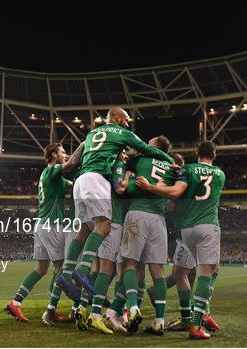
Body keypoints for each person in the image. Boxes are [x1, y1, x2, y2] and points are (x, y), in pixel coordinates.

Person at [57, 107, 173, 305]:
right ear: (117, 118)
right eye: (126, 120)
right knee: (104, 226)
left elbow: (72, 162)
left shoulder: (92, 134)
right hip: (97, 179)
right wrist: (170, 161)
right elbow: (147, 149)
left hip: (80, 181)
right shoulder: (123, 133)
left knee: (84, 230)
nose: (128, 124)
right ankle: (82, 271)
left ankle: (65, 275)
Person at [135, 141, 225, 340]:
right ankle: (197, 324)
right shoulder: (220, 174)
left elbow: (176, 193)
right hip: (207, 226)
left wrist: (155, 183)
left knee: (180, 273)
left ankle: (190, 317)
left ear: (196, 152)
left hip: (186, 231)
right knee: (208, 272)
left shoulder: (187, 169)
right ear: (215, 155)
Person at [5, 142, 83, 324]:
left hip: (41, 225)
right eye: (63, 152)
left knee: (41, 269)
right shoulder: (52, 170)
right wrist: (83, 146)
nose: (66, 154)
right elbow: (71, 164)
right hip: (51, 225)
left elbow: (75, 184)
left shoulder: (49, 176)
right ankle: (51, 310)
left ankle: (15, 303)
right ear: (54, 155)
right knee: (61, 268)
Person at [113, 135, 178, 336]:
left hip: (137, 214)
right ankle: (159, 321)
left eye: (148, 144)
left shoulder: (140, 160)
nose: (143, 146)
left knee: (130, 264)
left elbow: (121, 163)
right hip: (159, 220)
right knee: (157, 270)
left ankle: (133, 308)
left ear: (155, 148)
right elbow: (172, 201)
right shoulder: (173, 168)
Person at [75, 149, 132, 334]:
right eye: (123, 152)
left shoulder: (104, 167)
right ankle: (96, 314)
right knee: (107, 270)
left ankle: (82, 308)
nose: (125, 156)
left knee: (97, 269)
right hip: (113, 220)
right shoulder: (118, 166)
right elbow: (119, 188)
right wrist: (130, 176)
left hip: (99, 217)